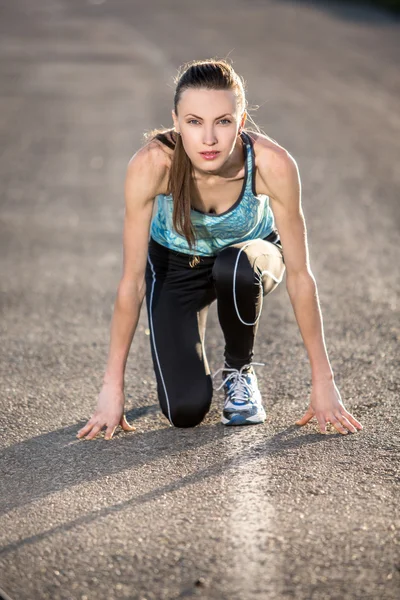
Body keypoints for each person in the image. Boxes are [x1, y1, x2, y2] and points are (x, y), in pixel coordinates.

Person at [76, 58, 363, 440]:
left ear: (241, 123)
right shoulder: (152, 165)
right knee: (185, 411)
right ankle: (190, 332)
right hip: (176, 266)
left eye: (223, 121)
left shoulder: (271, 164)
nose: (208, 139)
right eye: (194, 122)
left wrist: (324, 381)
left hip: (250, 261)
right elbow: (131, 283)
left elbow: (299, 275)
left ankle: (239, 369)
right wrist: (112, 387)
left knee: (233, 266)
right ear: (176, 122)